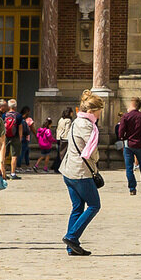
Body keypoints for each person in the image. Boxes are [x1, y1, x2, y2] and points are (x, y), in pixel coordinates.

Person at [59, 92, 106, 256]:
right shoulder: (86, 125)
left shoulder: (76, 121)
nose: (100, 114)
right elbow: (91, 150)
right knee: (94, 205)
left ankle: (71, 246)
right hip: (80, 172)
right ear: (93, 111)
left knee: (77, 207)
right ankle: (71, 237)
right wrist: (97, 160)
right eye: (100, 111)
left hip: (68, 170)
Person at [118, 97, 141, 196]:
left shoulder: (126, 116)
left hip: (128, 143)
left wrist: (123, 137)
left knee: (129, 167)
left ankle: (132, 189)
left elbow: (120, 132)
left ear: (132, 104)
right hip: (139, 143)